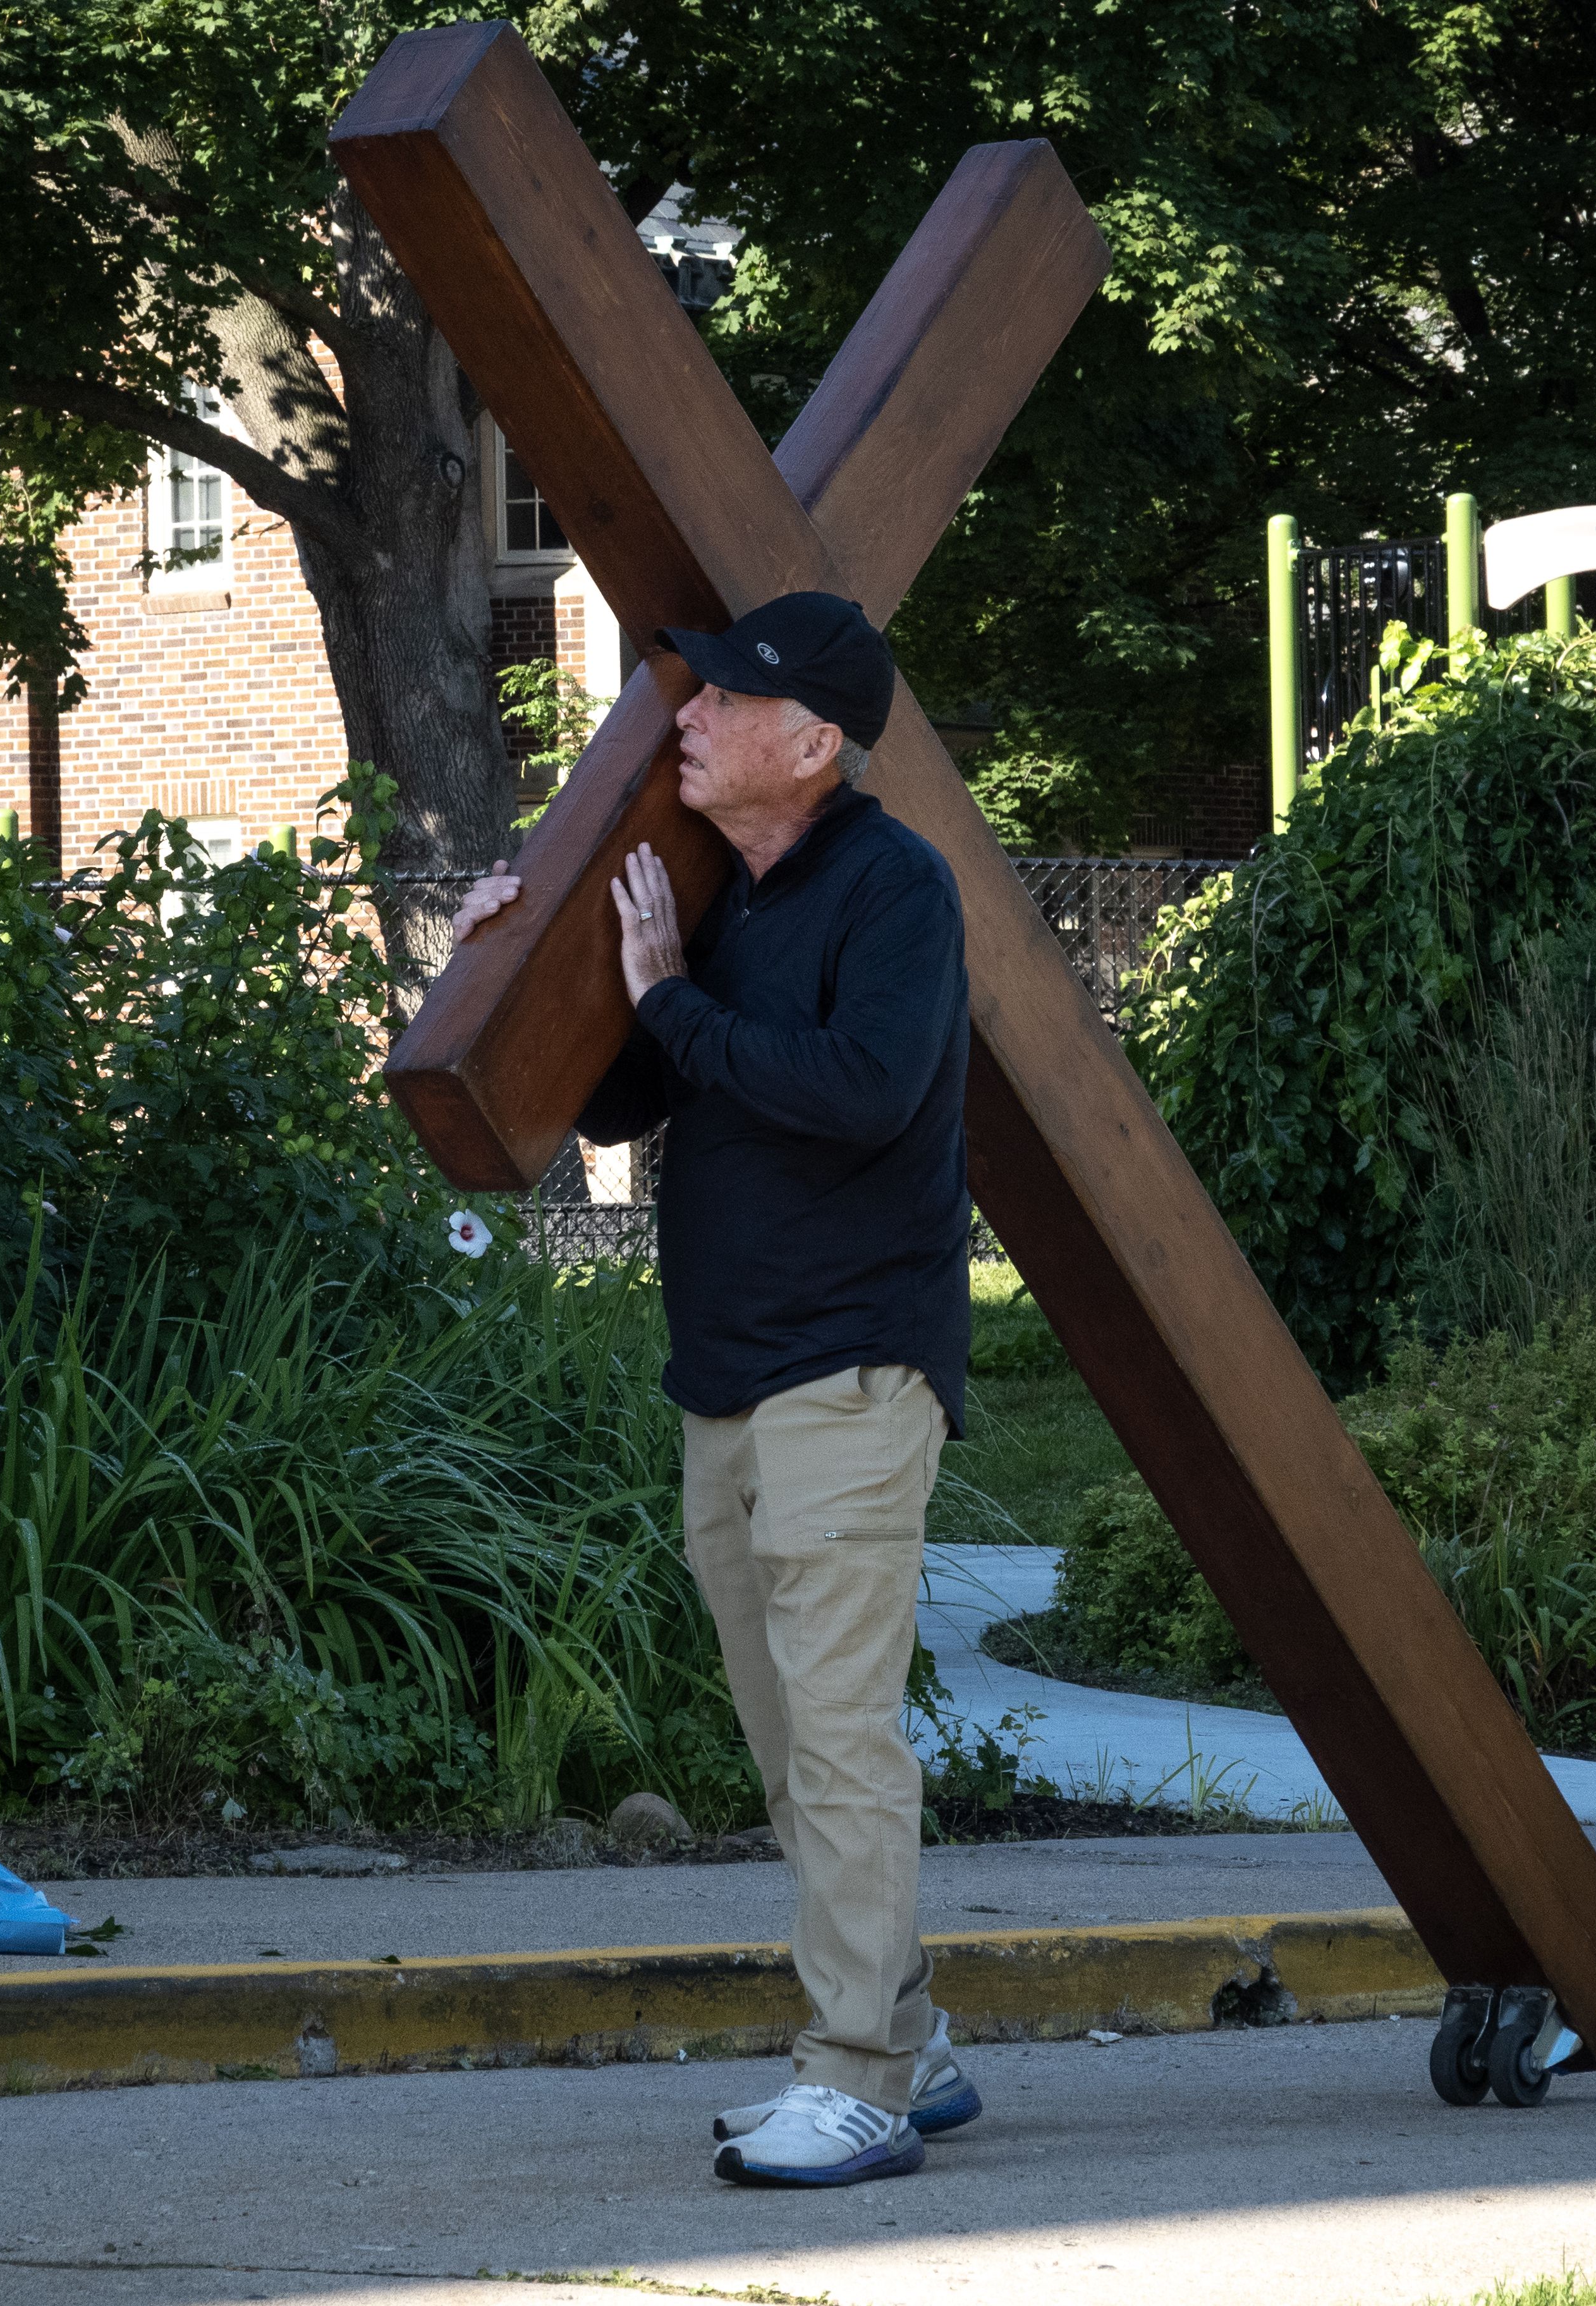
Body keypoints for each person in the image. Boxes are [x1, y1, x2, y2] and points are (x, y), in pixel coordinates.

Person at [448, 591, 975, 2189]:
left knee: (841, 1741)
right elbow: (634, 1084)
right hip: (730, 1384)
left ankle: (862, 2077)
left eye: (725, 696)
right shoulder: (724, 899)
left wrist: (673, 996)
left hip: (851, 1376)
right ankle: (916, 2041)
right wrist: (507, 960)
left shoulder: (894, 889)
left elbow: (864, 1091)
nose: (684, 710)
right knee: (784, 1743)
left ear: (812, 741)